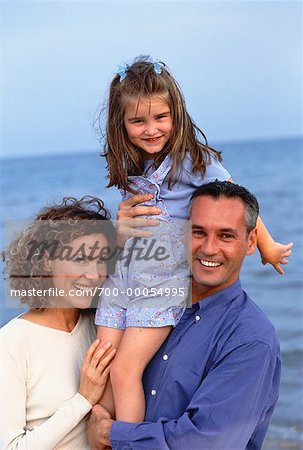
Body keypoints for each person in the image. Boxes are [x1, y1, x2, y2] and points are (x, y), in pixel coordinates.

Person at [94, 55, 291, 424]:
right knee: (103, 364)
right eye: (138, 121)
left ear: (177, 114)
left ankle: (127, 442)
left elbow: (235, 200)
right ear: (121, 125)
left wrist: (266, 245)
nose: (151, 129)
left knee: (123, 372)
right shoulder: (135, 163)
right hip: (126, 276)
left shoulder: (194, 162)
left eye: (160, 118)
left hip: (162, 283)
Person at [87, 181, 282, 450]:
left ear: (250, 242)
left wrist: (113, 434)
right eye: (198, 232)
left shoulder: (251, 340)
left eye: (226, 236)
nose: (209, 249)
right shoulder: (146, 301)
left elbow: (205, 442)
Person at [0, 196, 117, 450]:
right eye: (80, 260)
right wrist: (83, 400)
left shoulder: (101, 325)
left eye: (101, 260)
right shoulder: (12, 342)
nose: (95, 274)